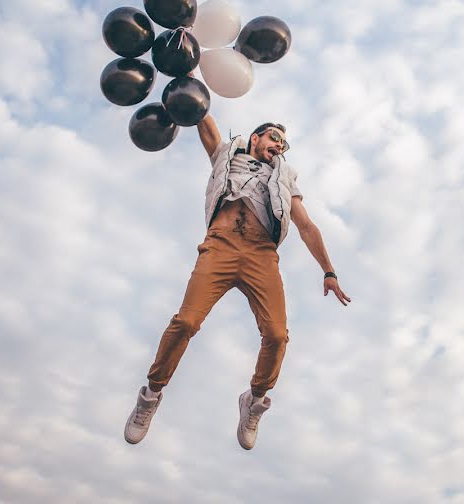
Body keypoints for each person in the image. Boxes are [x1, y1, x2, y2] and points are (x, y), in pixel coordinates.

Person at [125, 113, 350, 449]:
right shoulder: (227, 154)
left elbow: (306, 225)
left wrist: (328, 271)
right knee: (186, 321)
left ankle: (255, 400)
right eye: (273, 137)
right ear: (255, 138)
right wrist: (190, 72)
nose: (278, 145)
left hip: (261, 254)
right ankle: (151, 394)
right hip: (220, 245)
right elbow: (201, 118)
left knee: (276, 335)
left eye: (283, 143)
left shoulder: (285, 176)